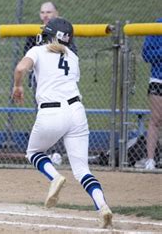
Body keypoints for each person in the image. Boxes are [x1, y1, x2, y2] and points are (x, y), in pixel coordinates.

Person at [12, 18, 113, 229]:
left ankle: (55, 177)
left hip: (51, 111)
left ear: (49, 35)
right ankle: (102, 205)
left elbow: (21, 69)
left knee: (34, 153)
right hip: (77, 111)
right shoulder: (73, 57)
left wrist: (18, 87)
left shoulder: (38, 51)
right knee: (83, 170)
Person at [141, 17, 162, 170]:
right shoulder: (157, 25)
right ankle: (150, 160)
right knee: (156, 119)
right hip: (158, 79)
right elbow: (146, 54)